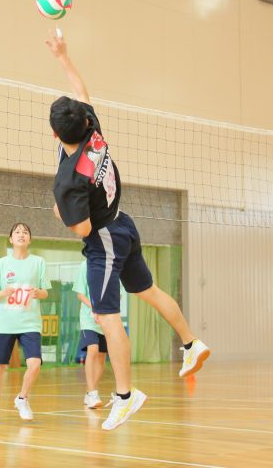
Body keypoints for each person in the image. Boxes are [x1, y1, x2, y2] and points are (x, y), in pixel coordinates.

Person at [45, 31, 209, 430]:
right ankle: (192, 343)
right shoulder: (92, 131)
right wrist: (64, 57)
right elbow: (81, 90)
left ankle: (125, 395)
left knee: (107, 318)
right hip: (125, 223)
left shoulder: (67, 181)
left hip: (103, 238)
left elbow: (81, 227)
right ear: (84, 121)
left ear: (54, 134)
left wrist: (59, 213)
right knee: (147, 291)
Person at [0, 223, 50, 423]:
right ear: (11, 239)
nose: (21, 234)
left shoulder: (38, 262)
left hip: (30, 323)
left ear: (30, 239)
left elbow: (45, 291)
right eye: (17, 232)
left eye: (25, 232)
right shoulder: (0, 264)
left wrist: (39, 293)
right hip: (5, 324)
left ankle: (22, 398)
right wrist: (3, 293)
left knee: (35, 364)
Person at [73, 260, 108, 408]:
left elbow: (116, 293)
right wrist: (94, 308)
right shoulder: (84, 266)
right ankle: (93, 392)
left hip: (106, 318)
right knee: (92, 349)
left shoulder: (110, 266)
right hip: (89, 317)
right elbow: (80, 294)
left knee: (101, 356)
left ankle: (89, 392)